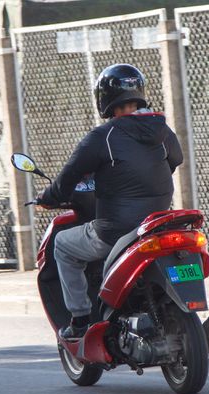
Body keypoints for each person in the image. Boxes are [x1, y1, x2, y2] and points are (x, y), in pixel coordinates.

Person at [37, 63, 184, 340]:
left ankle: (80, 319)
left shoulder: (102, 137)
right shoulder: (163, 131)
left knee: (63, 245)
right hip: (155, 227)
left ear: (105, 100)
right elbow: (175, 161)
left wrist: (48, 197)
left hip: (115, 231)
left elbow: (67, 179)